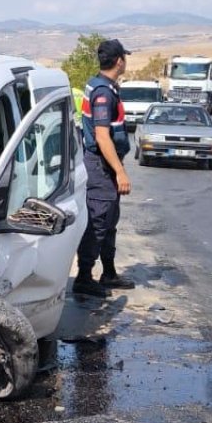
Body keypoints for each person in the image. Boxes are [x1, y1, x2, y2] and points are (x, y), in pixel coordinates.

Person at [73, 39, 135, 297]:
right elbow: (102, 136)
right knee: (98, 221)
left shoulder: (101, 84)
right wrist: (119, 171)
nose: (126, 61)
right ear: (119, 60)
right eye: (125, 57)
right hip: (101, 167)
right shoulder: (103, 93)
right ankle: (84, 278)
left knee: (109, 221)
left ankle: (108, 273)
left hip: (105, 165)